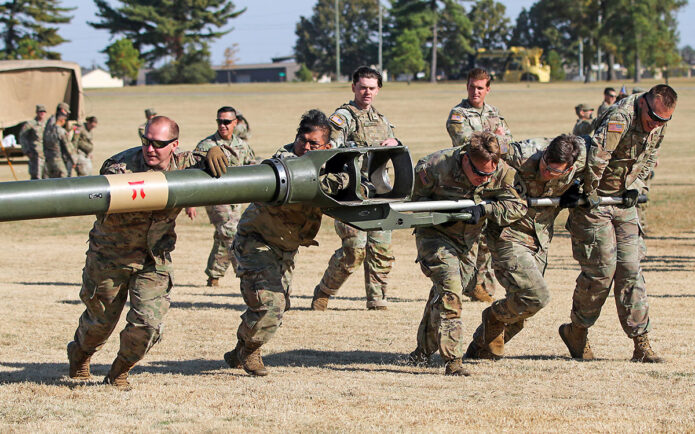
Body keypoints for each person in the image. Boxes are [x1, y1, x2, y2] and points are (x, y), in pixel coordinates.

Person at [66, 116, 231, 390]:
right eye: (146, 141)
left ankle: (118, 371)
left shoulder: (185, 163)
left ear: (174, 145)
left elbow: (215, 161)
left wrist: (216, 151)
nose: (150, 148)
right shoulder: (120, 167)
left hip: (154, 259)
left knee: (148, 323)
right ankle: (80, 354)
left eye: (158, 143)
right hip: (111, 256)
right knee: (100, 323)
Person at [224, 109, 353, 376]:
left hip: (285, 247)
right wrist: (339, 177)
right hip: (256, 241)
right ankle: (250, 351)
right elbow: (315, 182)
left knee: (277, 308)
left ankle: (241, 346)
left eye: (313, 144)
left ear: (326, 146)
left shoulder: (330, 160)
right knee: (271, 305)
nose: (305, 147)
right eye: (301, 139)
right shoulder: (283, 162)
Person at [560, 84, 677, 363]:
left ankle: (641, 343)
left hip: (622, 200)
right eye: (654, 119)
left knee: (630, 268)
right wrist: (589, 194)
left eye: (663, 121)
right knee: (601, 271)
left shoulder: (658, 122)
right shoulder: (621, 116)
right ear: (645, 104)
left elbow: (649, 156)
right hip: (595, 200)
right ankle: (577, 331)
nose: (656, 126)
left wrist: (637, 184)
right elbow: (598, 156)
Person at [405, 131, 527, 375]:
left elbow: (518, 206)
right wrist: (444, 216)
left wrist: (487, 209)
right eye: (479, 173)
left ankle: (422, 351)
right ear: (465, 160)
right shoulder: (433, 167)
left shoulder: (501, 171)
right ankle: (453, 361)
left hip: (469, 241)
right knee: (451, 293)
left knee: (446, 293)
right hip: (435, 237)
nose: (484, 179)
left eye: (489, 174)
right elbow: (413, 205)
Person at [465, 134, 586, 360]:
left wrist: (577, 186)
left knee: (521, 311)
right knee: (536, 296)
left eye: (555, 172)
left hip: (539, 237)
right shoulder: (521, 153)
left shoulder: (582, 159)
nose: (547, 174)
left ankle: (479, 349)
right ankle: (493, 316)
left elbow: (607, 165)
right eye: (545, 166)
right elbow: (477, 151)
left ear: (569, 168)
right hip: (508, 233)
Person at [311, 66, 399, 311]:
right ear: (353, 87)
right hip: (350, 194)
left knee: (380, 249)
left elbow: (394, 149)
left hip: (379, 193)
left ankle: (377, 299)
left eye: (372, 88)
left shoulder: (382, 121)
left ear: (378, 90)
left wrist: (394, 142)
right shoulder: (342, 117)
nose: (367, 92)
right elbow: (332, 149)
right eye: (362, 87)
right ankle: (325, 291)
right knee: (354, 251)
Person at [445, 67, 513, 303]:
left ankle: (483, 285)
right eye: (472, 86)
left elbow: (509, 143)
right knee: (471, 236)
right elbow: (468, 143)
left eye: (480, 88)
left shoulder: (495, 113)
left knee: (490, 235)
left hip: (493, 181)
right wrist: (496, 137)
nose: (476, 91)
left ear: (488, 89)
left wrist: (494, 139)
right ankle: (469, 283)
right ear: (467, 86)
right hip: (469, 181)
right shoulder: (458, 114)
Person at [184, 106, 257, 287]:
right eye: (219, 121)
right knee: (230, 232)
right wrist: (189, 203)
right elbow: (191, 174)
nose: (222, 125)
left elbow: (252, 167)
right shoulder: (206, 146)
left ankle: (214, 275)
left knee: (223, 236)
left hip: (236, 199)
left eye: (226, 122)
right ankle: (244, 274)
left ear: (235, 123)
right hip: (214, 198)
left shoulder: (242, 145)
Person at [43, 106, 74, 178]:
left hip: (49, 158)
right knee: (63, 176)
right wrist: (74, 160)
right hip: (58, 157)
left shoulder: (49, 128)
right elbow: (68, 146)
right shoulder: (59, 130)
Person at [19, 104, 48, 179]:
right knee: (36, 177)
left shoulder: (47, 124)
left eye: (43, 111)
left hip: (46, 155)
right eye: (40, 111)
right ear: (37, 112)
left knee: (47, 177)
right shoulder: (30, 124)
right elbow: (22, 137)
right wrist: (27, 151)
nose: (42, 113)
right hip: (35, 155)